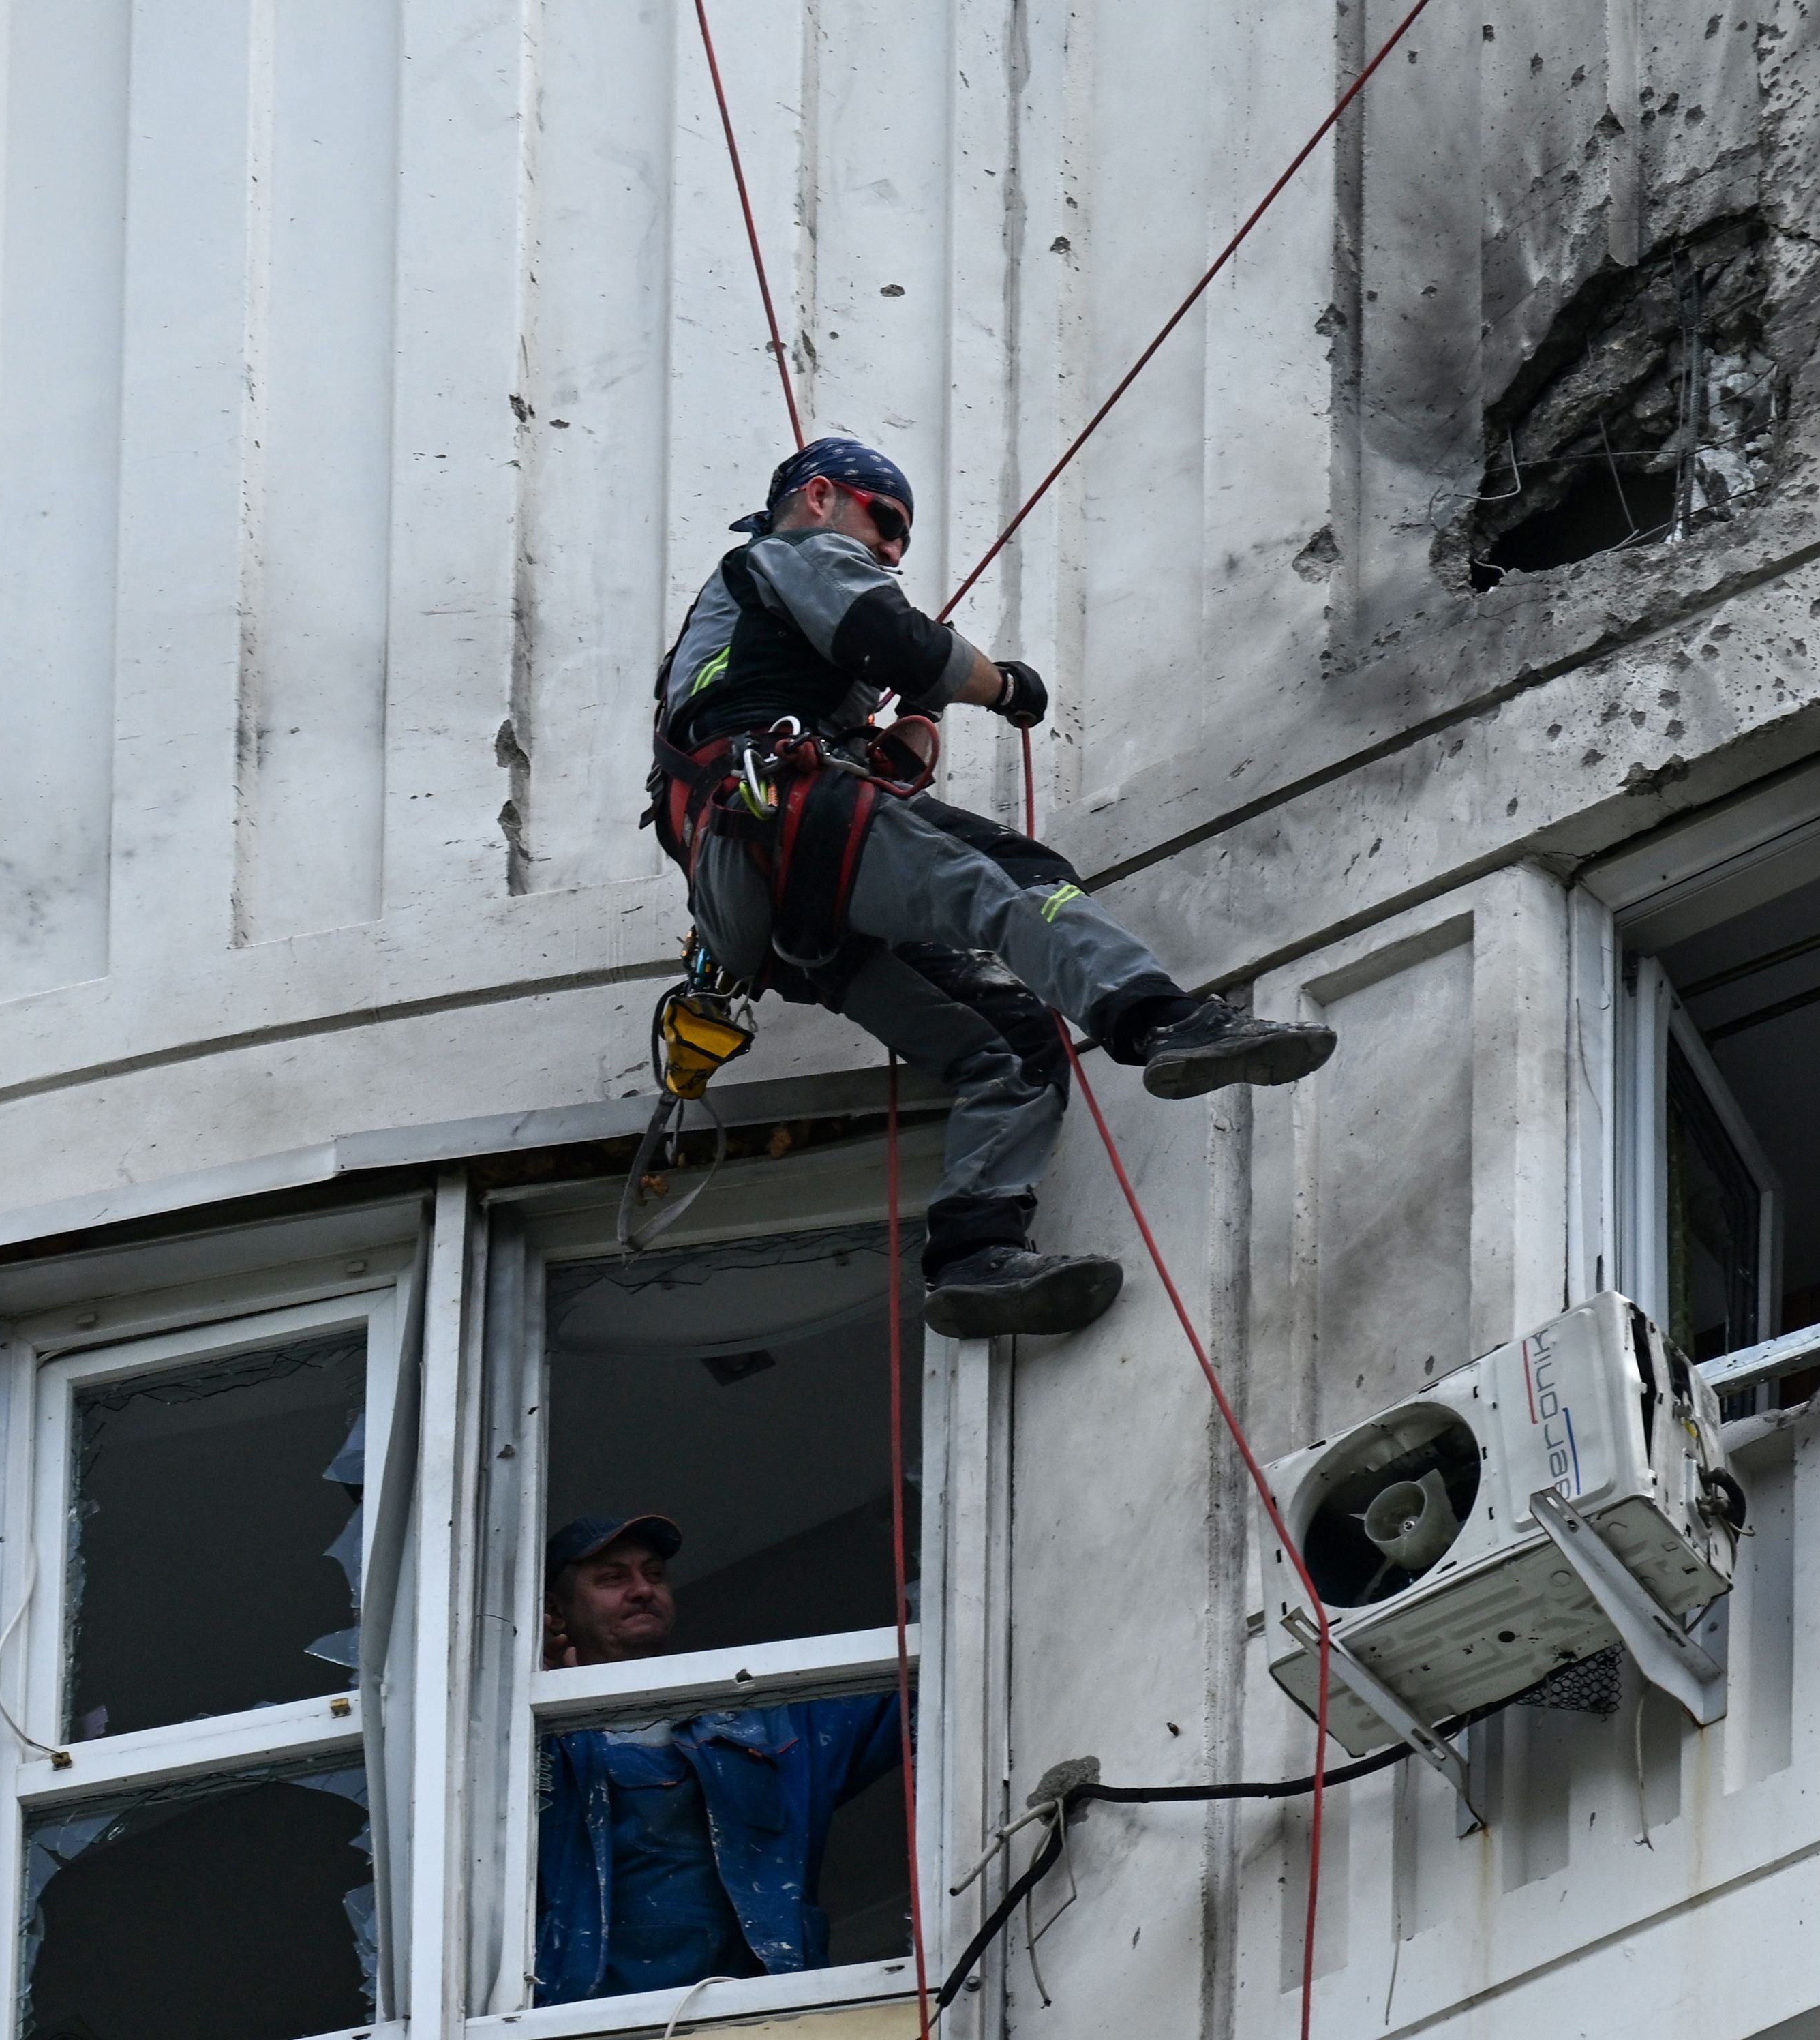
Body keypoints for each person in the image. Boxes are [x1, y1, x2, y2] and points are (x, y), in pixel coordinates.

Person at [650, 434, 1335, 1338]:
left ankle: (975, 1256)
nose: (892, 551)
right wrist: (1002, 684)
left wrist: (919, 714)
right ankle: (1160, 1020)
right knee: (1017, 879)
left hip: (770, 902)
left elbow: (890, 759)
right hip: (791, 824)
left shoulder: (742, 648)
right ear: (820, 497)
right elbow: (889, 637)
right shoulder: (790, 553)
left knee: (1010, 1043)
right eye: (884, 523)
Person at [533, 1514, 903, 2005]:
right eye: (613, 1578)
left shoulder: (768, 1730)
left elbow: (915, 1689)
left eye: (655, 1574)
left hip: (757, 2014)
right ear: (555, 1612)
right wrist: (532, 1692)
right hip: (586, 2019)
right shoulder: (533, 1743)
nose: (643, 1589)